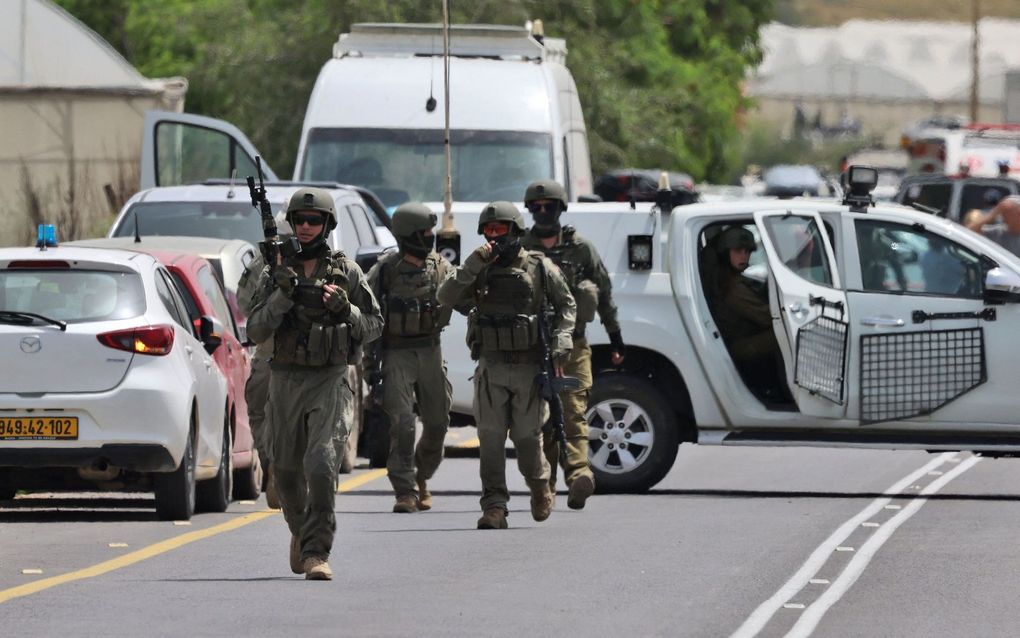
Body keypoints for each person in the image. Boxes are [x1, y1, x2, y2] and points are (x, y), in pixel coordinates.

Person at [247, 187, 383, 580]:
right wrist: (281, 297)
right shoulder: (275, 271)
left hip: (330, 378)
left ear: (327, 225)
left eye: (314, 221)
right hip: (285, 379)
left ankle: (316, 553)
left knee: (322, 465)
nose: (306, 227)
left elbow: (375, 326)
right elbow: (255, 330)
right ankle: (300, 530)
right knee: (286, 472)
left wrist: (347, 309)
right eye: (300, 220)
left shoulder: (346, 272)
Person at [437, 201, 576, 530]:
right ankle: (494, 505)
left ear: (515, 230)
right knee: (490, 438)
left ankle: (540, 485)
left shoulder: (539, 267)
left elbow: (566, 305)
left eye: (501, 229)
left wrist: (562, 341)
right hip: (491, 367)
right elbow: (446, 295)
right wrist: (472, 263)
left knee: (528, 438)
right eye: (489, 230)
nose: (495, 236)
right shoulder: (480, 267)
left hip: (529, 367)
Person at [521, 179, 624, 510]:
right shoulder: (521, 249)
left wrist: (616, 336)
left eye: (548, 206)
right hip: (533, 347)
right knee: (544, 420)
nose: (542, 213)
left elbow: (604, 293)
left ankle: (579, 473)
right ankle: (546, 487)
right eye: (535, 208)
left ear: (561, 209)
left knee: (574, 409)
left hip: (574, 344)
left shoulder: (582, 249)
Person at [365, 202, 454, 513]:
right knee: (402, 424)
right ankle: (405, 490)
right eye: (424, 232)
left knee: (438, 424)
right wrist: (368, 369)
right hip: (396, 354)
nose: (429, 237)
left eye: (432, 232)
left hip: (431, 351)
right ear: (407, 235)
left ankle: (421, 476)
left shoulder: (441, 268)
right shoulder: (385, 271)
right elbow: (367, 316)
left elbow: (464, 296)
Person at [709, 227, 789, 403]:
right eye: (738, 251)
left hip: (741, 339)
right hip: (738, 345)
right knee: (785, 333)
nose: (744, 256)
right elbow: (767, 318)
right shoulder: (732, 287)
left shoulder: (729, 278)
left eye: (747, 252)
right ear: (725, 253)